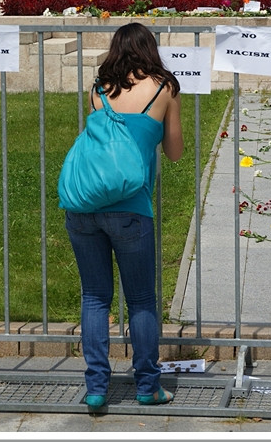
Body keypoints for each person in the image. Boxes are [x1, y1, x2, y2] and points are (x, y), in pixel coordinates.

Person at [63, 22, 184, 412]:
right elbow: (176, 151)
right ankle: (147, 386)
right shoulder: (164, 87)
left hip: (84, 206)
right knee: (142, 300)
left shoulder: (99, 88)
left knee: (95, 297)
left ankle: (97, 388)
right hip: (131, 208)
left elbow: (101, 147)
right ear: (151, 49)